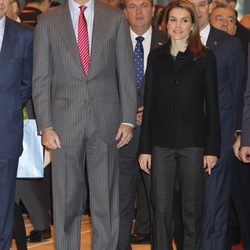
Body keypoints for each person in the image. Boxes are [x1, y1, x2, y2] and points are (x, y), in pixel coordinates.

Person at [32, 0, 137, 249]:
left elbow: (126, 71)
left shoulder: (114, 18)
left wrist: (127, 119)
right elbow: (41, 77)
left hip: (107, 122)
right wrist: (45, 125)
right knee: (66, 203)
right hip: (63, 124)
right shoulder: (47, 20)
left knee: (106, 205)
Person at [138, 0, 221, 249]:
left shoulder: (205, 57)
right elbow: (149, 105)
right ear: (165, 24)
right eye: (173, 19)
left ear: (192, 24)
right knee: (160, 211)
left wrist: (212, 149)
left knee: (191, 213)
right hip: (161, 145)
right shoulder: (155, 57)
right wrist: (145, 148)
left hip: (194, 146)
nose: (178, 25)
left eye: (184, 20)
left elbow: (213, 107)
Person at [187, 0, 245, 249]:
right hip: (181, 142)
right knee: (187, 212)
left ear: (210, 7)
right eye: (190, 3)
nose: (196, 9)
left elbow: (240, 93)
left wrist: (240, 133)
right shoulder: (173, 40)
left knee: (214, 209)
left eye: (201, 4)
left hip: (219, 140)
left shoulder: (229, 44)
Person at [117, 0, 166, 248]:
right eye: (132, 6)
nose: (138, 12)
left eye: (144, 5)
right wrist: (124, 114)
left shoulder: (169, 41)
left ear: (154, 10)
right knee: (119, 203)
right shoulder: (110, 41)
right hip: (119, 137)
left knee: (160, 204)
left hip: (156, 136)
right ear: (124, 12)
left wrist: (153, 112)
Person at [0, 0, 33, 248]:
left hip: (6, 131)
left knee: (4, 200)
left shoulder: (24, 36)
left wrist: (9, 109)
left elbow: (27, 84)